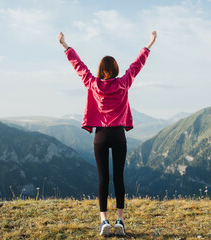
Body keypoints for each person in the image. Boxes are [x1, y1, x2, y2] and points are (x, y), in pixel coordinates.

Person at [58, 30, 157, 236]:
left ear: (101, 70)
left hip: (100, 136)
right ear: (116, 69)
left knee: (103, 178)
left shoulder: (93, 84)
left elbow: (79, 66)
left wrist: (65, 45)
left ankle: (104, 221)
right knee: (119, 178)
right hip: (119, 135)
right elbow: (137, 65)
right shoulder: (123, 83)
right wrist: (149, 43)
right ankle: (120, 220)